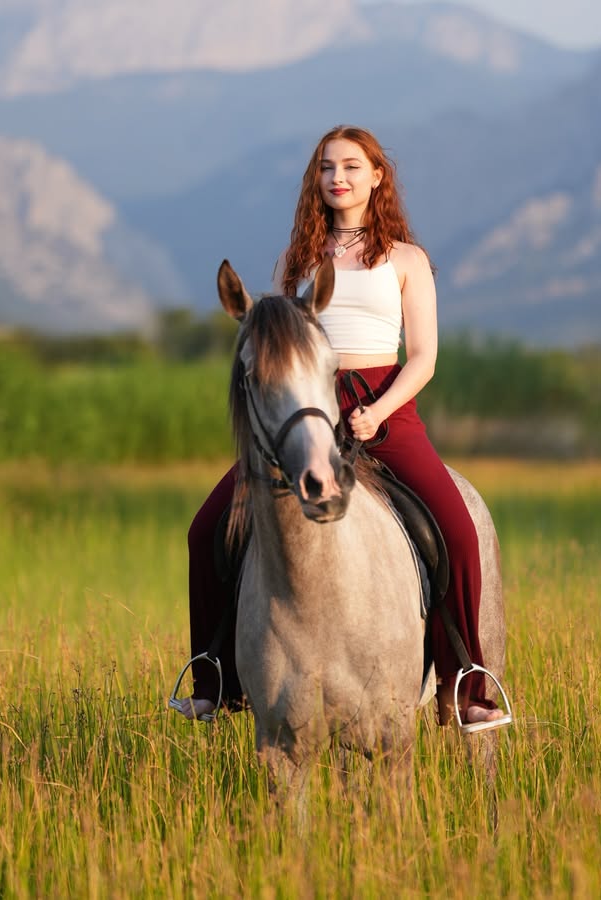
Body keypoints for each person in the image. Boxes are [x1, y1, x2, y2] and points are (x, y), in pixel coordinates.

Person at [175, 124, 505, 730]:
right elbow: (283, 346)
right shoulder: (301, 260)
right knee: (206, 530)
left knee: (457, 529)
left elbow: (425, 356)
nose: (338, 178)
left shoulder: (407, 259)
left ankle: (465, 684)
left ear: (377, 176)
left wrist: (378, 412)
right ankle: (214, 678)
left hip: (385, 408)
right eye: (327, 168)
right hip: (309, 410)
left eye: (352, 166)